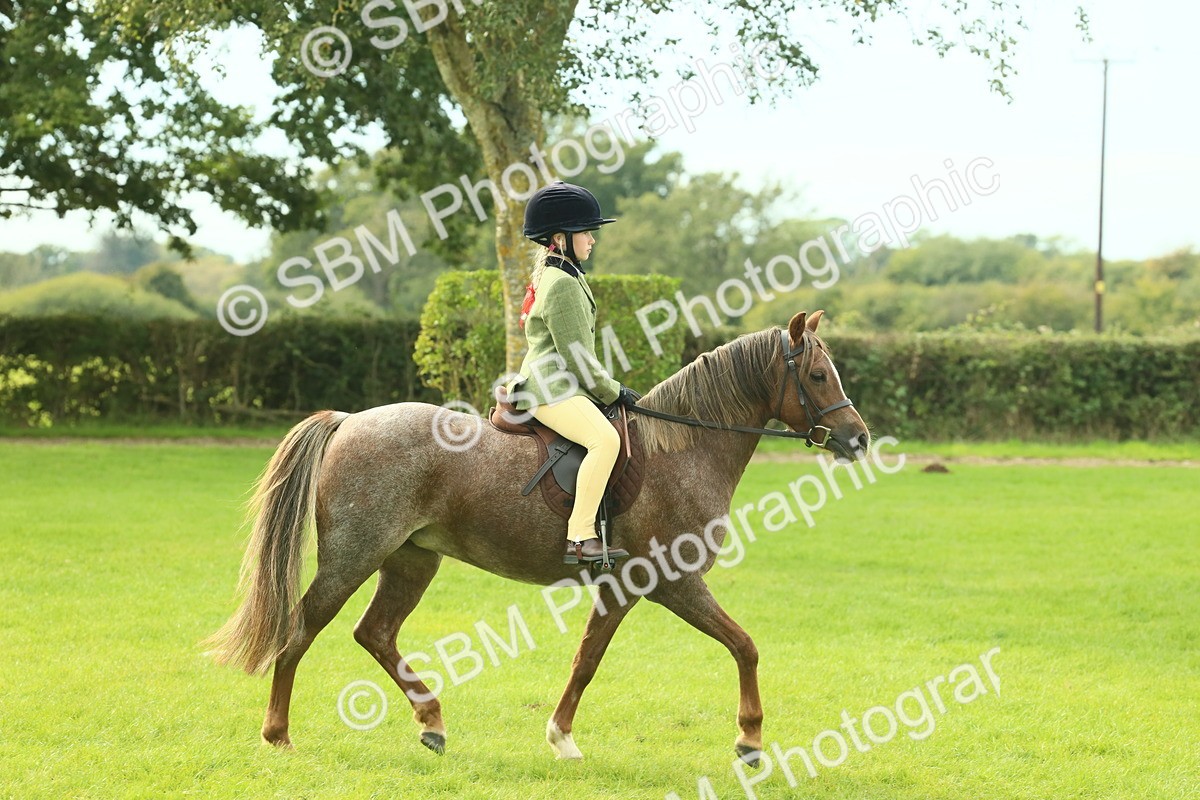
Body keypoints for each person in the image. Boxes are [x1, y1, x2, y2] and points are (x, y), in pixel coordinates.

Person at [506, 181, 641, 565]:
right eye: (586, 232)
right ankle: (581, 537)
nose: (592, 240)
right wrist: (614, 390)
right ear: (561, 238)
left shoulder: (563, 273)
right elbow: (577, 357)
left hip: (558, 383)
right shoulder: (562, 283)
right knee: (604, 440)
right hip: (550, 387)